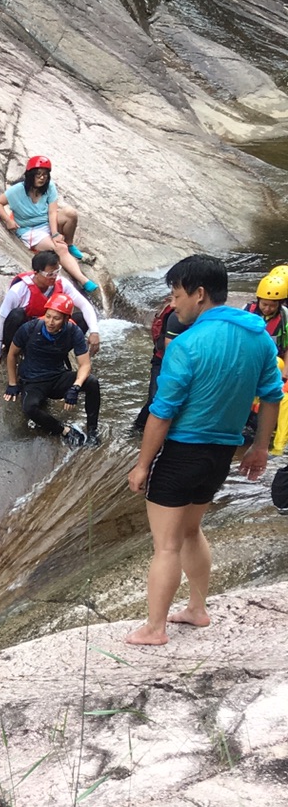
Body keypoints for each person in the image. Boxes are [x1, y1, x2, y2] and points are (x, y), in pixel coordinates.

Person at [125, 252, 281, 646]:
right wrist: (260, 448)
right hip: (221, 455)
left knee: (166, 545)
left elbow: (161, 413)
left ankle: (155, 629)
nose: (172, 303)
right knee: (193, 531)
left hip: (181, 453)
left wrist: (143, 465)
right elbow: (273, 395)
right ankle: (197, 609)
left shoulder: (188, 344)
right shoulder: (259, 336)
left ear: (199, 294)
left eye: (176, 294)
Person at [0, 155, 99, 296]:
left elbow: (52, 212)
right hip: (30, 230)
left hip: (46, 223)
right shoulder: (17, 190)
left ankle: (70, 245)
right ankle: (84, 281)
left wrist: (54, 233)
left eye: (45, 175)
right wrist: (8, 220)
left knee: (70, 213)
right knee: (60, 247)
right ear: (31, 175)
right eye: (38, 174)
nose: (42, 178)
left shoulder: (49, 187)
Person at [4, 292, 102, 445]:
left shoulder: (72, 332)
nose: (50, 322)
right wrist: (12, 383)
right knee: (29, 408)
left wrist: (75, 387)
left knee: (92, 382)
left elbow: (85, 364)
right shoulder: (29, 328)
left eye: (56, 318)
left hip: (57, 377)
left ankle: (92, 431)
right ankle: (63, 430)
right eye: (48, 316)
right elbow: (12, 354)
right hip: (33, 381)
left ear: (66, 319)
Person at [0, 249, 101, 363]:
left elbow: (85, 305)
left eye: (56, 272)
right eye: (49, 274)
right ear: (36, 273)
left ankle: (56, 353)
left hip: (51, 333)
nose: (54, 277)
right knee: (16, 315)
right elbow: (2, 320)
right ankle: (20, 353)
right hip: (27, 334)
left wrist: (94, 331)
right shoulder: (19, 290)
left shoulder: (62, 284)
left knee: (82, 319)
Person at [131, 282, 188, 435]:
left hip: (174, 358)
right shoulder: (175, 316)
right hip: (163, 359)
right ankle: (138, 428)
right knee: (156, 398)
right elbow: (169, 348)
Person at [245, 266, 288, 456]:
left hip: (275, 364)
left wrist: (285, 372)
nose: (267, 308)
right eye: (264, 304)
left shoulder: (284, 318)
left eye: (272, 305)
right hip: (251, 362)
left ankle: (278, 447)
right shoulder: (248, 312)